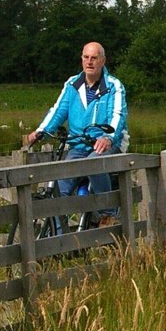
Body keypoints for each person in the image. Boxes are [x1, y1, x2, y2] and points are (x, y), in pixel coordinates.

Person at [28, 42, 128, 224]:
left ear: (103, 61)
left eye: (94, 58)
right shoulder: (72, 84)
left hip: (106, 144)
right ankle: (58, 240)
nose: (89, 62)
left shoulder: (114, 86)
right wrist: (41, 130)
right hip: (78, 145)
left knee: (93, 163)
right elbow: (59, 110)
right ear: (81, 59)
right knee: (59, 188)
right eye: (86, 57)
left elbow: (118, 115)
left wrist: (108, 137)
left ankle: (108, 214)